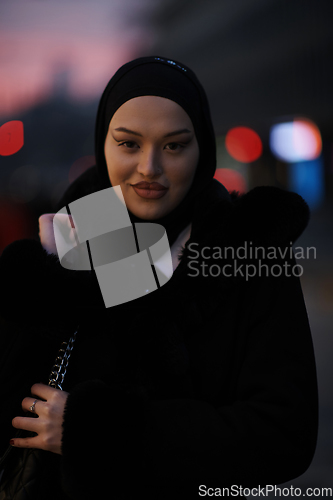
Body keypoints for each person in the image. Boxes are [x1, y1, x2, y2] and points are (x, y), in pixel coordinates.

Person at [0, 56, 318, 499]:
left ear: (201, 147)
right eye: (129, 144)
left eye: (174, 145)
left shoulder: (251, 252)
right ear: (103, 145)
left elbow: (284, 435)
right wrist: (47, 282)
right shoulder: (66, 241)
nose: (149, 167)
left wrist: (103, 432)